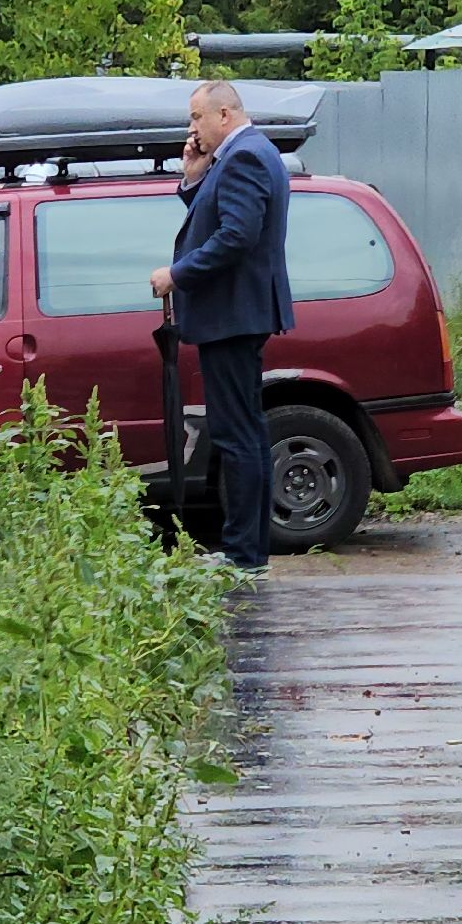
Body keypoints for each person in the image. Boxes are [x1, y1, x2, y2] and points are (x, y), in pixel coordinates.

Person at [151, 81, 294, 575]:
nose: (191, 129)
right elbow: (221, 221)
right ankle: (248, 551)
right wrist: (193, 179)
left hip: (232, 316)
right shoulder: (241, 156)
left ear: (225, 114)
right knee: (247, 434)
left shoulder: (245, 157)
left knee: (237, 437)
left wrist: (176, 274)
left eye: (196, 118)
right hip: (236, 315)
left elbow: (236, 235)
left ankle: (244, 555)